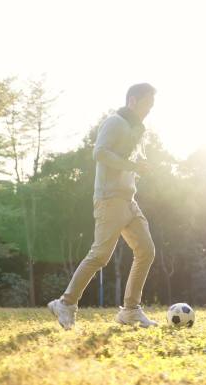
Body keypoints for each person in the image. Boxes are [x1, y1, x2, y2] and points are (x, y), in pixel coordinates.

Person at [48, 83, 158, 329]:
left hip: (128, 199)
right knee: (99, 255)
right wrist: (131, 166)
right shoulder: (115, 122)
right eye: (147, 104)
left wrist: (137, 166)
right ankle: (65, 304)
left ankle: (130, 310)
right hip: (109, 199)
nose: (150, 110)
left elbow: (126, 159)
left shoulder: (135, 129)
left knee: (146, 251)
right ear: (133, 100)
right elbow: (99, 153)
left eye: (152, 105)